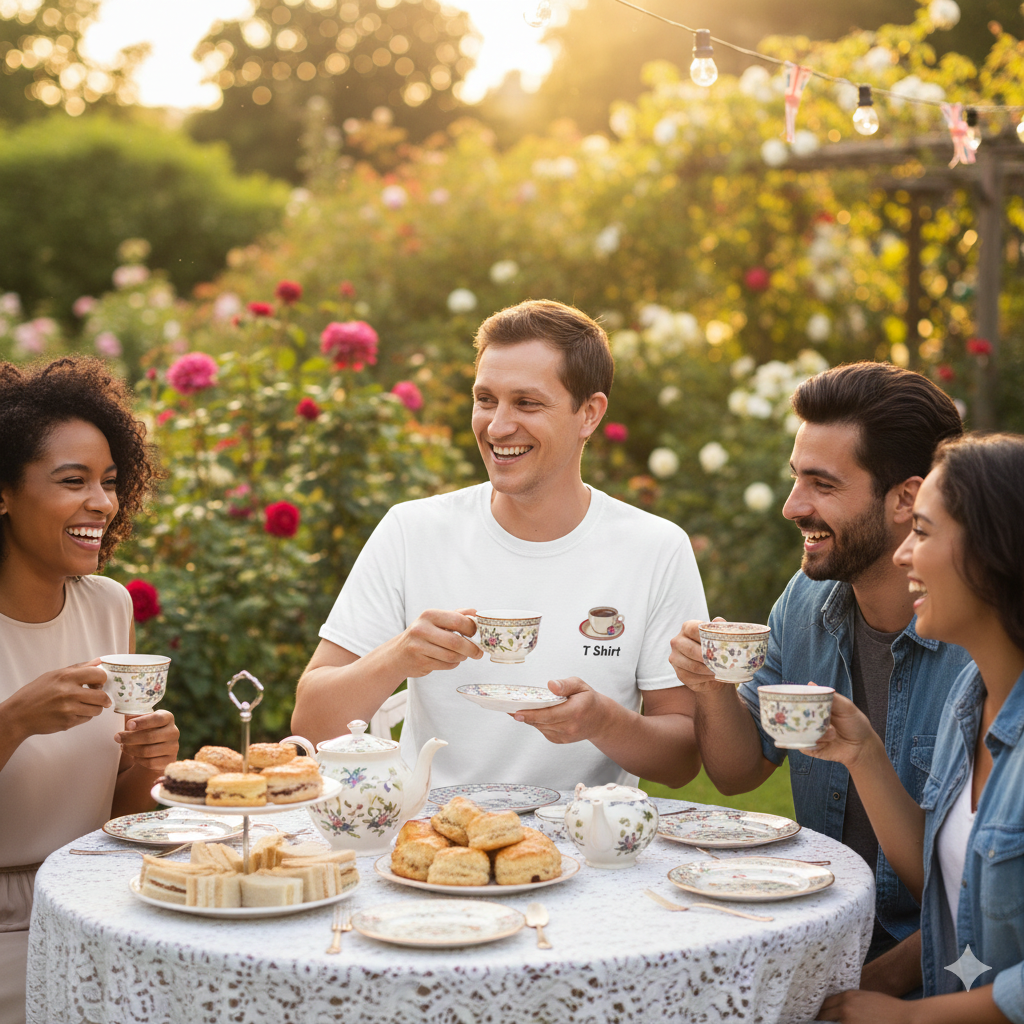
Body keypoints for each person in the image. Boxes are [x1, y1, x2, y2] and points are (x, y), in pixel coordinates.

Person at [293, 299, 708, 789]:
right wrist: (399, 656)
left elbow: (682, 760)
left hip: (584, 847)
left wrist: (603, 723)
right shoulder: (412, 531)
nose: (497, 426)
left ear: (589, 414)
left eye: (526, 403)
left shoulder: (654, 549)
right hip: (430, 844)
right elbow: (311, 727)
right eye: (486, 399)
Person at [668, 362, 969, 992]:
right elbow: (738, 771)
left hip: (939, 971)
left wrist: (853, 988)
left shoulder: (977, 649)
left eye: (822, 484)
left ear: (906, 499)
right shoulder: (805, 605)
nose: (792, 506)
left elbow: (981, 901)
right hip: (821, 932)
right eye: (795, 477)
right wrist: (711, 687)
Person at [812, 433, 1024, 1023]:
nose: (903, 555)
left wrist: (911, 1019)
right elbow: (946, 885)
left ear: (994, 551)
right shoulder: (972, 696)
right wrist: (863, 754)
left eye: (924, 533)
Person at [0, 358, 180, 1024]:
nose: (101, 503)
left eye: (108, 482)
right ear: (4, 493)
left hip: (98, 909)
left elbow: (120, 812)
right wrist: (13, 721)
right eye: (72, 481)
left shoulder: (107, 606)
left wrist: (145, 764)